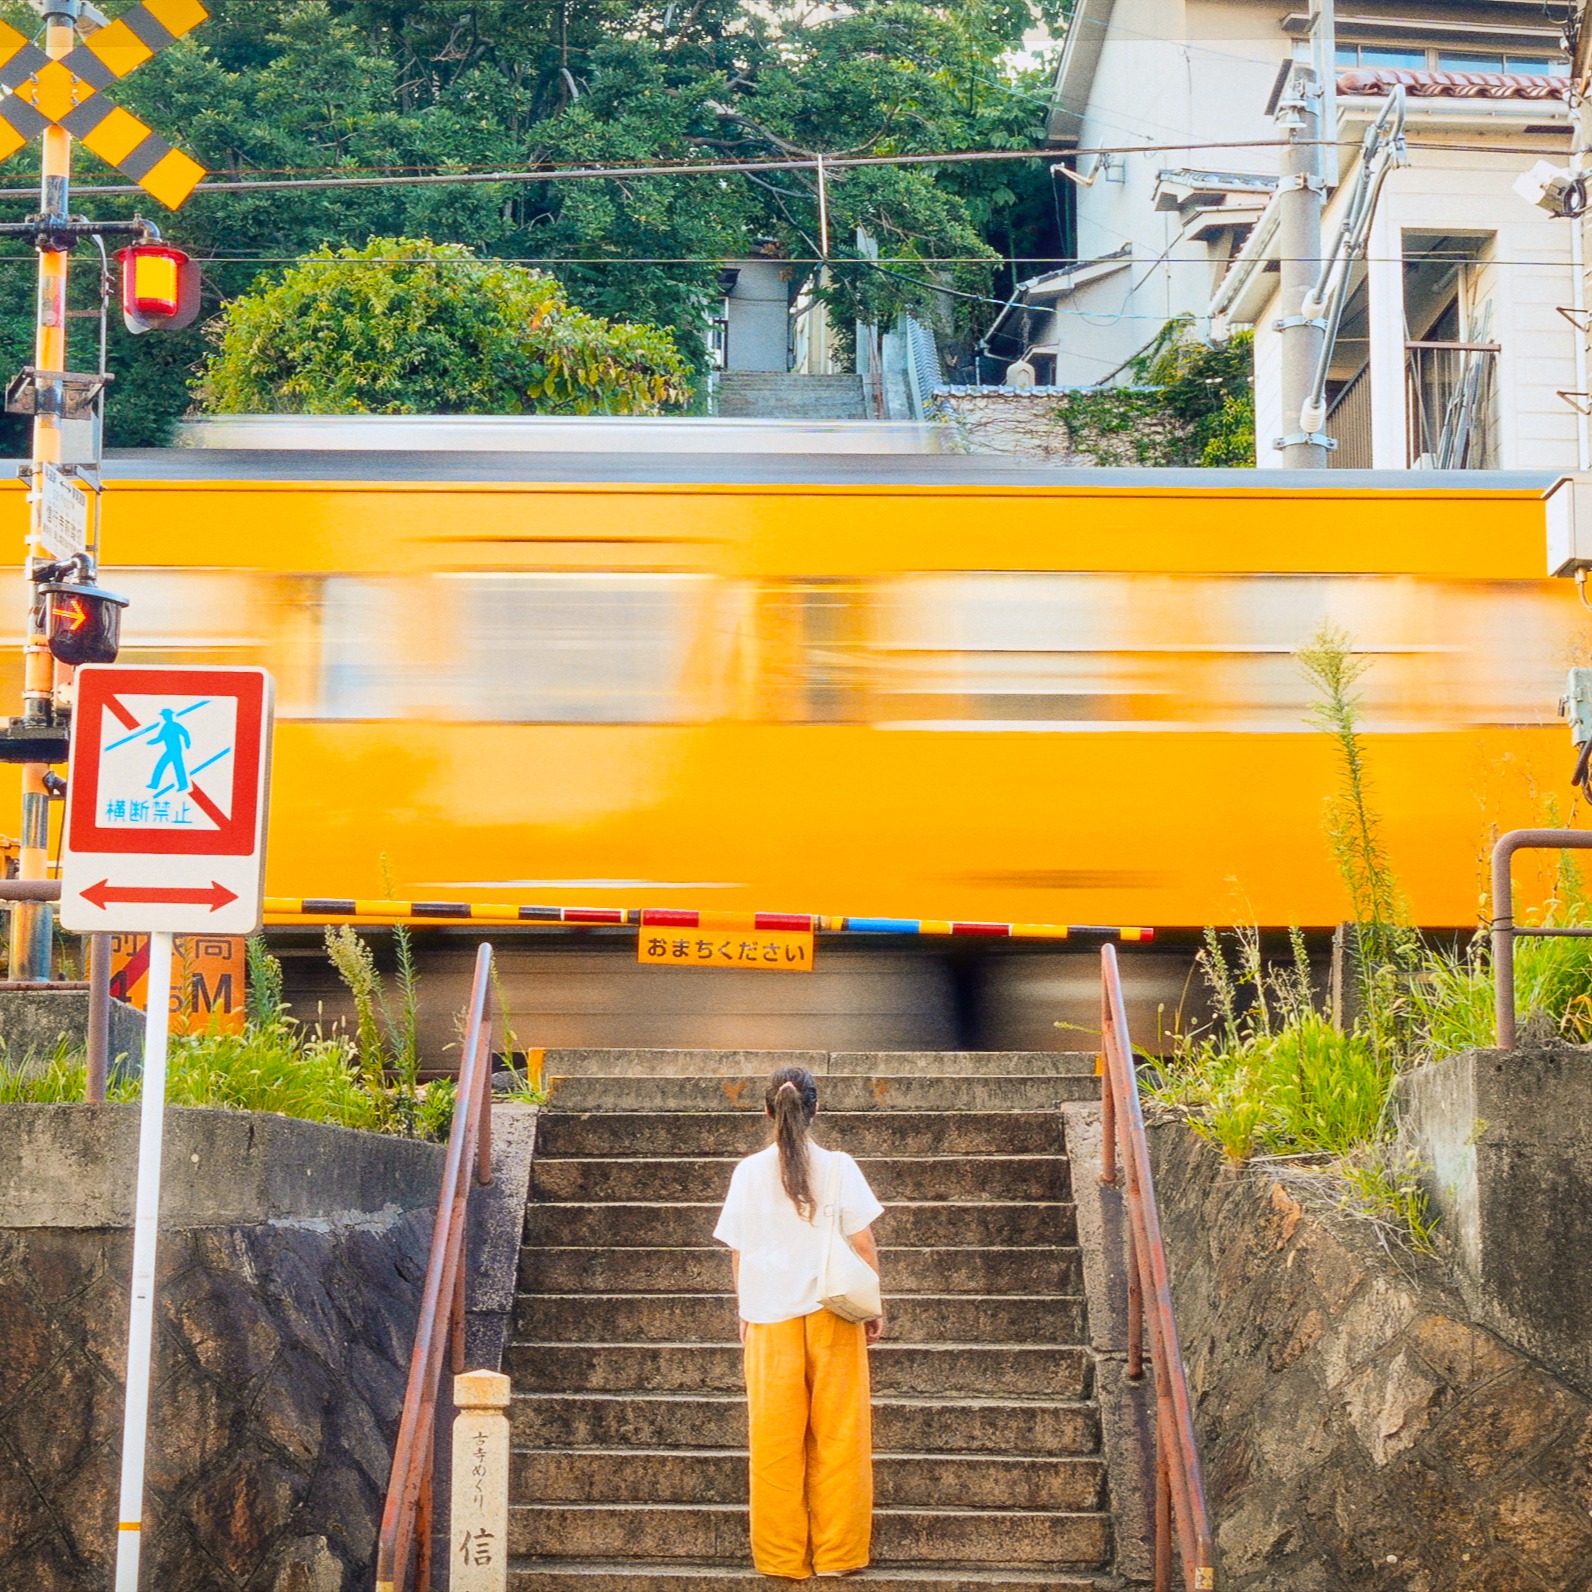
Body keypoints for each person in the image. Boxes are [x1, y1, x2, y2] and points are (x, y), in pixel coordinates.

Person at [713, 1065, 885, 1581]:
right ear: (816, 1108)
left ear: (767, 1110)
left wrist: (744, 1311)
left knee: (773, 1443)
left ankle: (782, 1558)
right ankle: (839, 1554)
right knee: (840, 1436)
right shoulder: (838, 1166)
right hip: (833, 1312)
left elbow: (738, 1252)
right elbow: (862, 1242)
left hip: (768, 1319)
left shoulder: (747, 1172)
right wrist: (874, 1306)